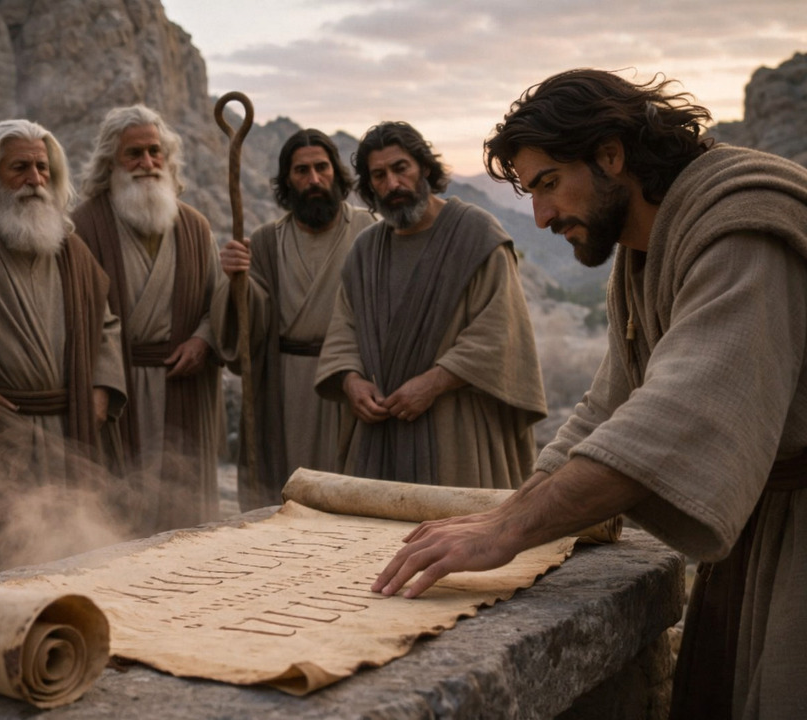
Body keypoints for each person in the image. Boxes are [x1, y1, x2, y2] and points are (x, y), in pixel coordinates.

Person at [372, 69, 807, 720]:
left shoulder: (742, 221)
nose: (541, 217)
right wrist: (509, 511)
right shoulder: (646, 252)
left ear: (611, 154)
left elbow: (672, 418)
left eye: (548, 184)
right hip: (762, 534)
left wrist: (512, 530)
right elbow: (612, 407)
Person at [314, 121, 547, 489]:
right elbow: (345, 327)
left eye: (400, 168)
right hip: (381, 429)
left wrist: (434, 382)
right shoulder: (365, 250)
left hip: (456, 428)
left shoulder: (476, 234)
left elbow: (501, 331)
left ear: (423, 166)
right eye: (379, 175)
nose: (392, 184)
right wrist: (351, 381)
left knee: (459, 534)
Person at [71, 104, 222, 535]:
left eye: (155, 152)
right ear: (110, 162)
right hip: (117, 391)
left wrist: (203, 340)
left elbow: (216, 304)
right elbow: (74, 315)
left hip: (183, 385)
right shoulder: (84, 227)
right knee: (117, 510)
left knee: (184, 516)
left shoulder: (196, 227)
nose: (147, 164)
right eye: (133, 154)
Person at [0, 119, 126, 493]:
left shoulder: (69, 249)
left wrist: (102, 387)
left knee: (69, 537)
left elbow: (106, 324)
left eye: (42, 167)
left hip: (70, 424)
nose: (34, 178)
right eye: (19, 168)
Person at [212, 129, 374, 510]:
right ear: (287, 180)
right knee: (289, 490)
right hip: (285, 387)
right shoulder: (267, 240)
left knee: (349, 490)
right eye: (301, 171)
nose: (313, 179)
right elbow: (253, 319)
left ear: (336, 171)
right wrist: (236, 280)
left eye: (321, 167)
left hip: (350, 380)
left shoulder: (368, 230)